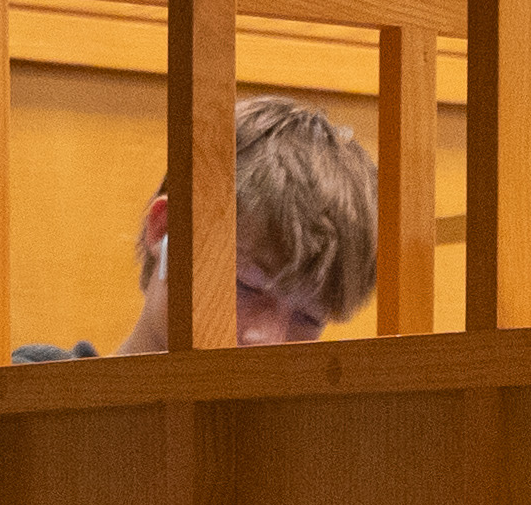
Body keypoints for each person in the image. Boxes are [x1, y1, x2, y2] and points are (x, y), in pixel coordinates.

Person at [109, 95, 380, 351]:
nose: (265, 339)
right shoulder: (66, 390)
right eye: (245, 287)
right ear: (167, 229)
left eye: (309, 318)